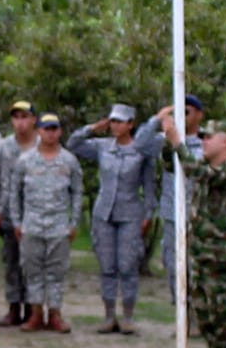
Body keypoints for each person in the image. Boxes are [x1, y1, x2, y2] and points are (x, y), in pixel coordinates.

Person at [67, 103, 156, 335]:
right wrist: (92, 128)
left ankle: (127, 317)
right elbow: (73, 144)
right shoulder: (103, 147)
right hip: (103, 213)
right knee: (107, 266)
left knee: (127, 266)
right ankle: (108, 316)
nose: (115, 125)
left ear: (131, 124)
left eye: (120, 121)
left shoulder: (141, 149)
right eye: (113, 121)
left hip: (130, 213)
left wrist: (148, 214)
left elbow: (148, 185)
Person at [159, 110, 226, 348]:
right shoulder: (204, 164)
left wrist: (178, 141)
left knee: (222, 322)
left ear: (225, 141)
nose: (204, 141)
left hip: (222, 257)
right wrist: (169, 141)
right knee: (205, 319)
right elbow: (170, 164)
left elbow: (196, 172)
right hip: (201, 254)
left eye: (209, 137)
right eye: (203, 137)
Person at [11, 113, 83, 334]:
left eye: (54, 129)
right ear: (39, 131)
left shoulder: (69, 160)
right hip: (31, 225)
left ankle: (55, 314)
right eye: (46, 129)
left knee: (56, 273)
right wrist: (17, 222)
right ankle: (35, 314)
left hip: (59, 226)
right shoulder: (25, 160)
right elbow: (15, 193)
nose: (50, 133)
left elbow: (77, 193)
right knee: (32, 273)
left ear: (59, 132)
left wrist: (73, 223)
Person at [137, 94, 205, 306]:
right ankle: (181, 310)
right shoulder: (165, 141)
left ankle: (198, 314)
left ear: (199, 115)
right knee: (172, 263)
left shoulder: (206, 143)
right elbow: (140, 144)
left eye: (186, 112)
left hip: (199, 216)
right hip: (172, 213)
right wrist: (157, 120)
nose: (181, 117)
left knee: (199, 266)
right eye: (178, 112)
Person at [0, 100, 39, 327]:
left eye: (25, 117)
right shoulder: (4, 147)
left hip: (36, 215)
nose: (20, 123)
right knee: (11, 262)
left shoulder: (44, 144)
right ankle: (14, 307)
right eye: (16, 117)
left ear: (33, 120)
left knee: (33, 265)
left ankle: (34, 309)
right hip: (10, 215)